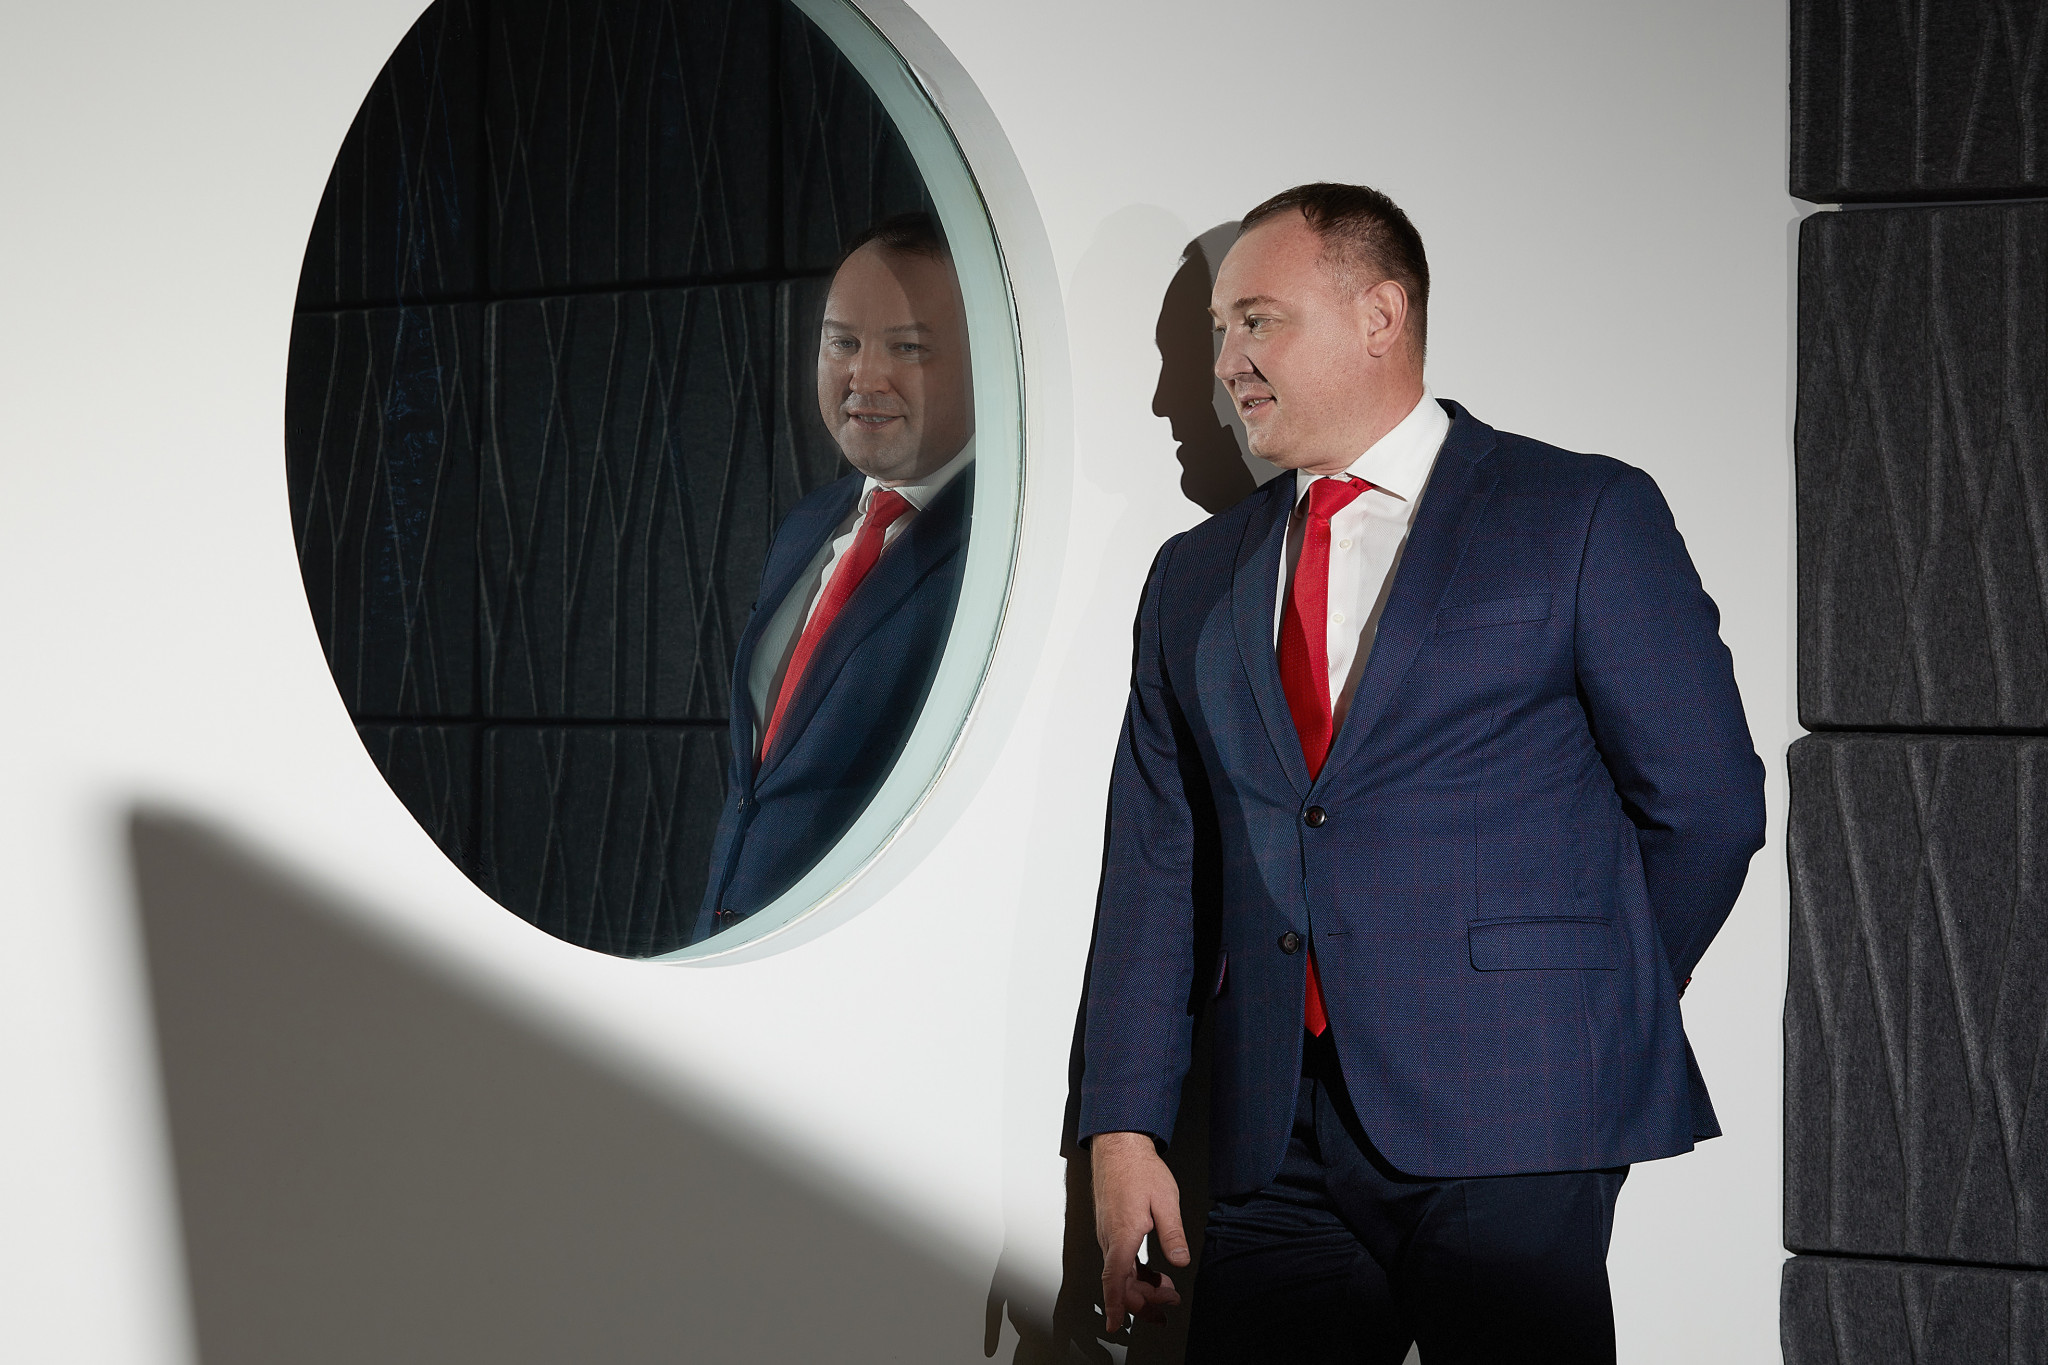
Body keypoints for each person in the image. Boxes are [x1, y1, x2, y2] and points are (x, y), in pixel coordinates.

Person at [1077, 183, 1766, 1362]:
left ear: (1379, 316)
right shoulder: (1190, 575)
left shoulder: (1578, 513)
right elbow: (1155, 865)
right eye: (1217, 334)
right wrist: (1122, 1131)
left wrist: (1579, 1004)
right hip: (1274, 1134)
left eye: (1255, 321)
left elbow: (1704, 807)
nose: (1222, 366)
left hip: (1517, 1116)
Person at [694, 213, 974, 943]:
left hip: (869, 961)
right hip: (731, 944)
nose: (864, 377)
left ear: (985, 363)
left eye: (907, 348)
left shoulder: (998, 543)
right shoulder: (809, 524)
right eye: (842, 343)